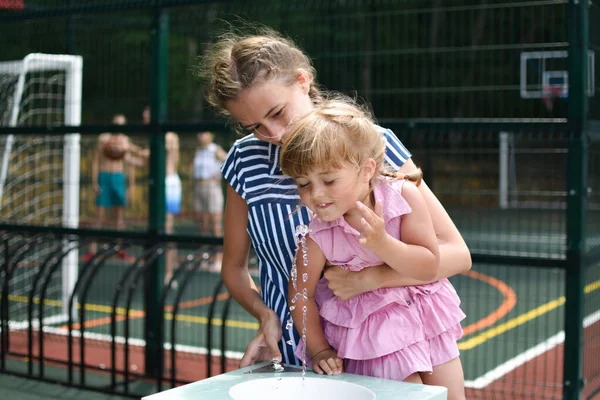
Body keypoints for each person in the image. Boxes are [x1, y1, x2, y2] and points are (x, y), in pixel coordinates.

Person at [197, 28, 471, 368]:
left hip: (385, 348)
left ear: (303, 80)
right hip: (298, 353)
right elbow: (235, 268)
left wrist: (372, 279)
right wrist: (265, 316)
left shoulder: (370, 142)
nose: (274, 134)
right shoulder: (244, 160)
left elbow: (457, 255)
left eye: (277, 113)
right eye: (254, 126)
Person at [279, 99, 465, 399]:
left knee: (453, 397)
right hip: (375, 333)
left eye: (328, 179)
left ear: (366, 170)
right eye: (303, 184)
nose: (315, 194)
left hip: (425, 316)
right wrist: (319, 348)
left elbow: (429, 266)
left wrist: (383, 244)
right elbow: (301, 294)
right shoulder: (317, 234)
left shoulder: (404, 197)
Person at [83, 113, 149, 263]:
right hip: (104, 176)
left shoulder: (125, 141)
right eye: (116, 123)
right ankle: (92, 251)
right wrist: (95, 182)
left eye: (121, 123)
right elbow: (95, 160)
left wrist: (131, 185)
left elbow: (130, 164)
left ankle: (119, 249)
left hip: (118, 177)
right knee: (99, 215)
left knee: (119, 217)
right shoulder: (103, 139)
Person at [142, 105, 182, 282]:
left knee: (167, 229)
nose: (145, 119)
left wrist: (127, 148)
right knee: (156, 229)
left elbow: (150, 154)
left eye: (147, 116)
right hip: (159, 184)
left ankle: (168, 273)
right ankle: (163, 269)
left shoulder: (168, 135)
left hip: (169, 184)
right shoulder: (153, 136)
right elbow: (147, 162)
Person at [191, 131, 227, 271]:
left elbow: (228, 160)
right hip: (199, 186)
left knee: (216, 224)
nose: (201, 136)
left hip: (212, 186)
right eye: (200, 134)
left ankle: (219, 259)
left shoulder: (215, 149)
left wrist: (217, 175)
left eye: (204, 133)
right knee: (202, 224)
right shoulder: (198, 151)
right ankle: (204, 256)